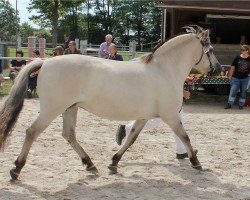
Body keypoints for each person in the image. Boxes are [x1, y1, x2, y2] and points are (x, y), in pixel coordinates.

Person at [116, 88, 196, 160]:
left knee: (179, 121)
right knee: (157, 122)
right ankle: (126, 128)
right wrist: (182, 92)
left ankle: (181, 151)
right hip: (164, 100)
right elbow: (167, 83)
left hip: (167, 100)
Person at [225, 45, 250, 109]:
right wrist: (230, 75)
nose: (242, 51)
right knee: (233, 90)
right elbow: (233, 67)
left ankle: (241, 105)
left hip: (246, 78)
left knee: (243, 92)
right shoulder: (237, 57)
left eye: (244, 50)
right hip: (236, 78)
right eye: (241, 50)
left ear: (247, 50)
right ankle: (229, 104)